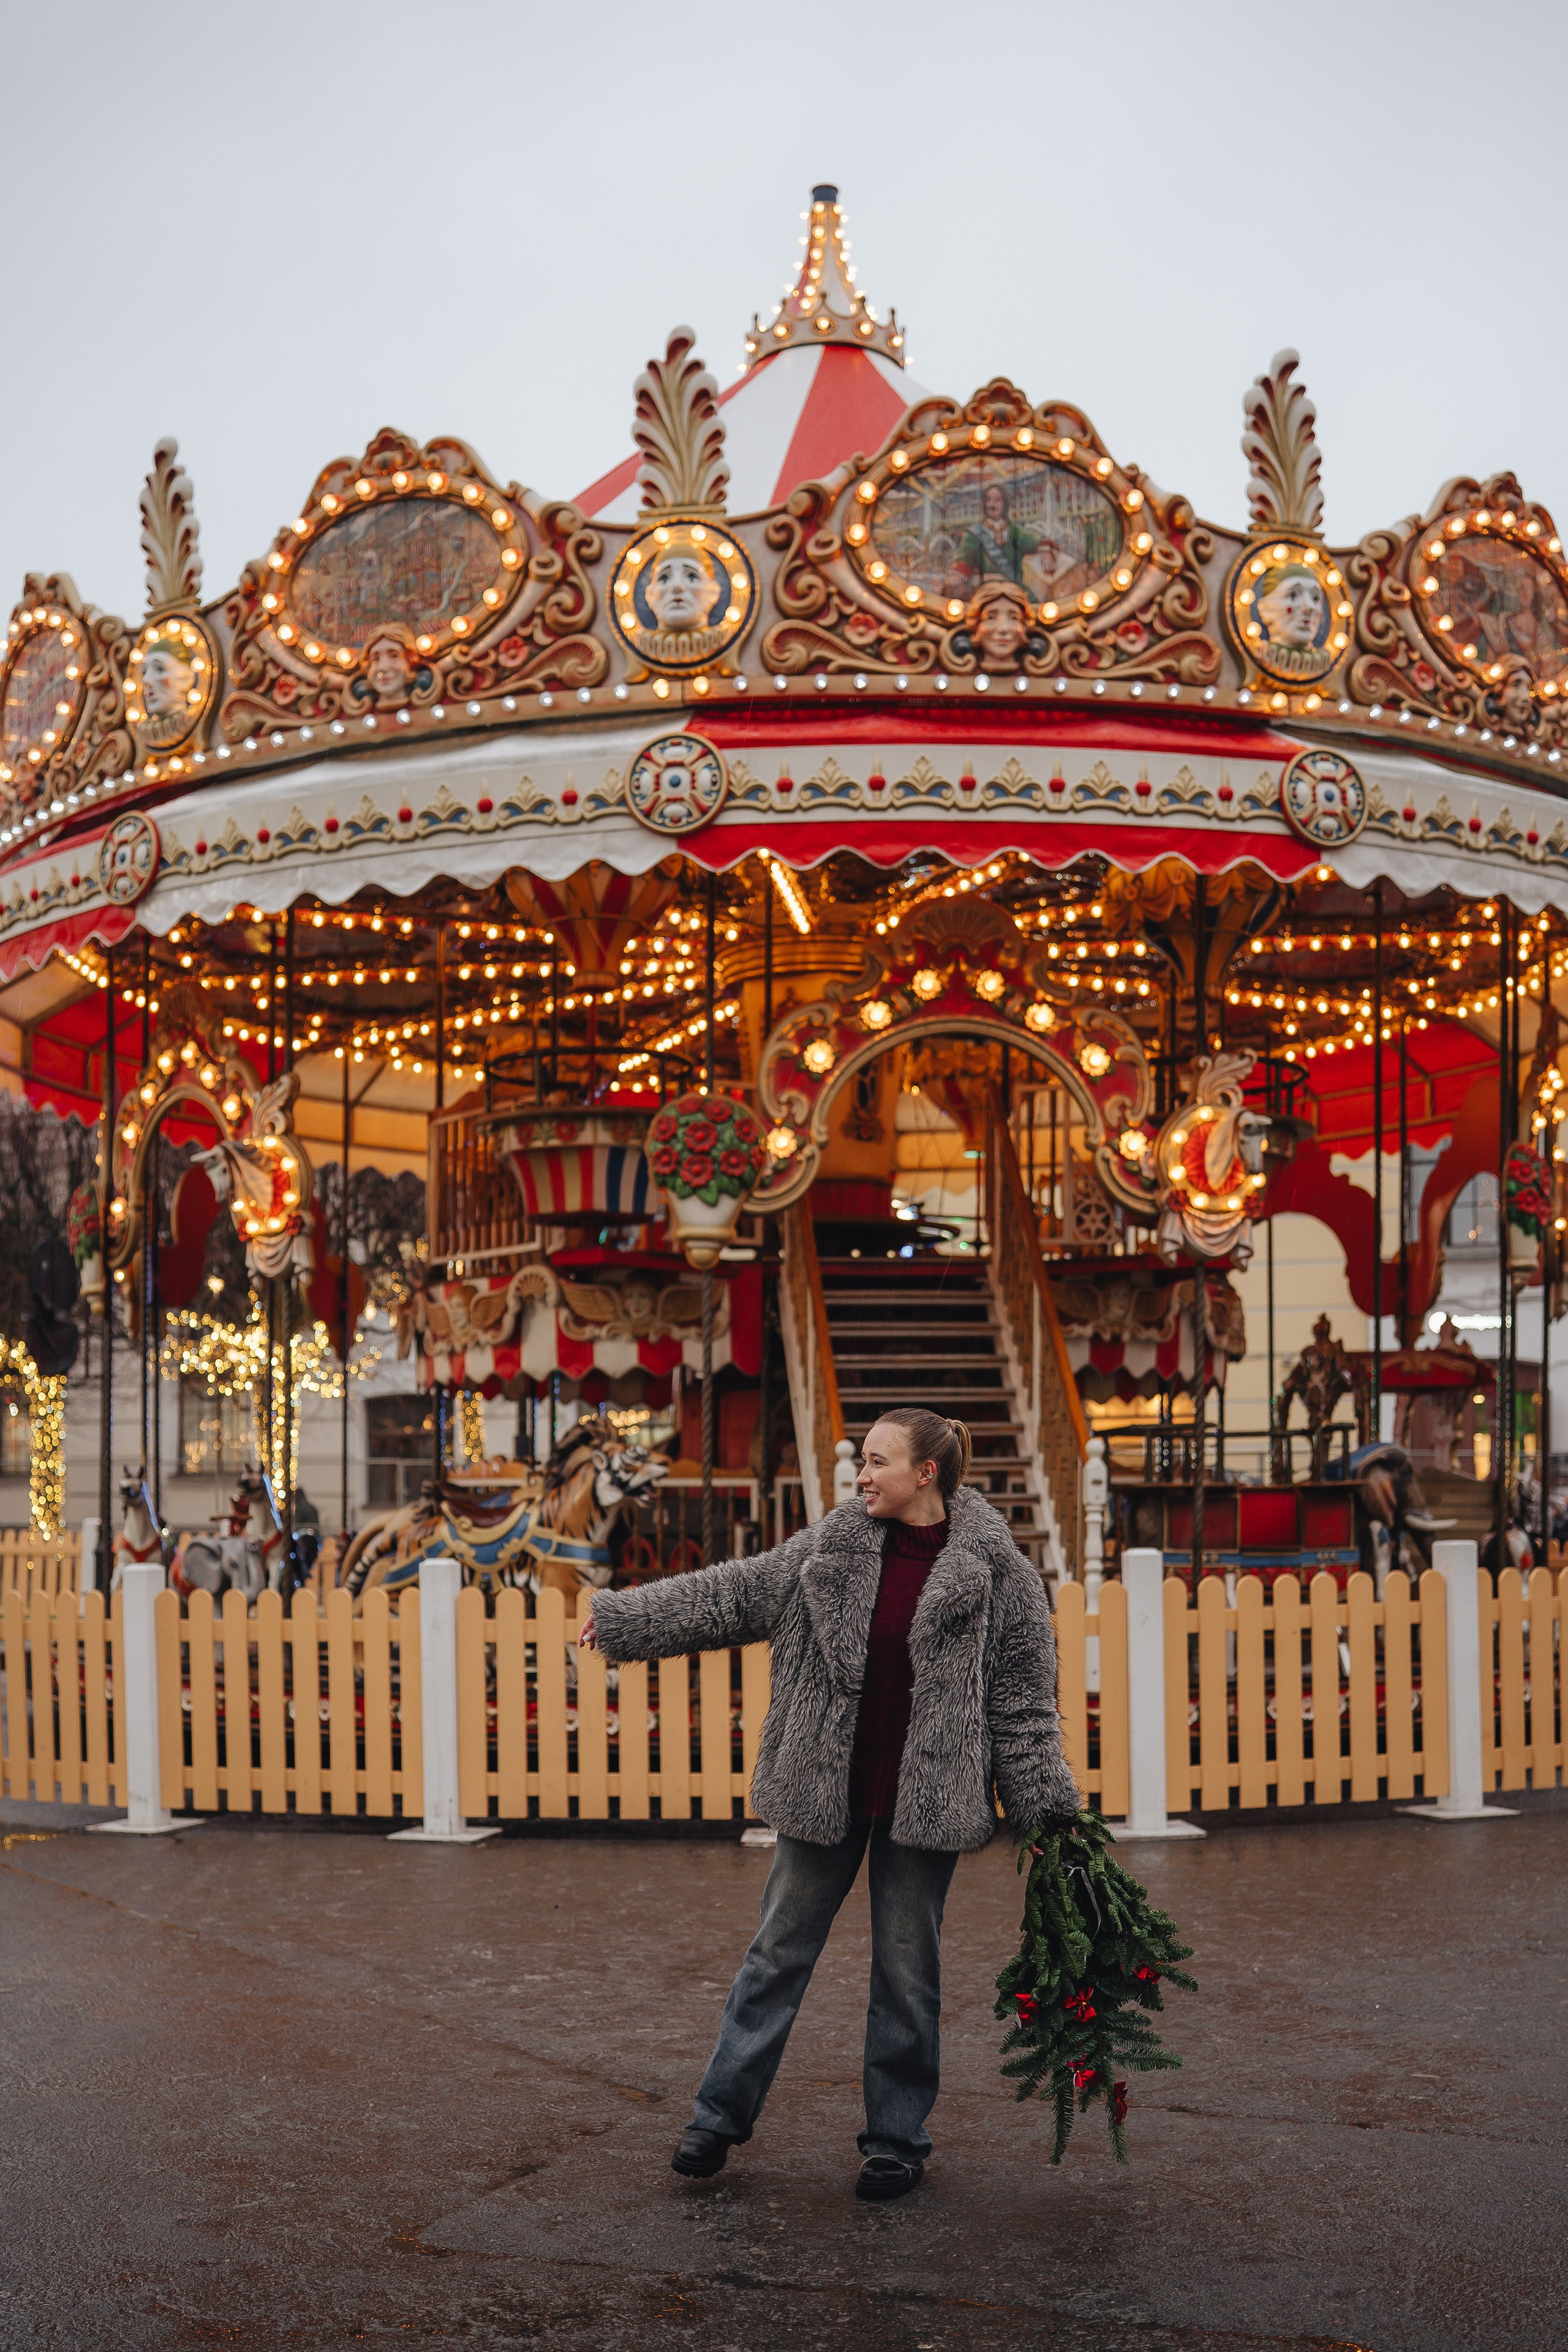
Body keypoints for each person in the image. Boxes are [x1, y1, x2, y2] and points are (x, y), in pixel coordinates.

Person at [579, 1406, 1079, 2201]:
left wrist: (1047, 1810)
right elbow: (734, 1595)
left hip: (926, 1802)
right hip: (823, 1789)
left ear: (927, 1475)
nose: (862, 1475)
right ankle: (716, 2117)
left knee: (908, 1973)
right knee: (777, 1954)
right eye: (863, 1461)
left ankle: (895, 2141)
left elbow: (1023, 1706)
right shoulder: (831, 1547)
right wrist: (624, 1620)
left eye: (879, 1462)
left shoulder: (1000, 1577)